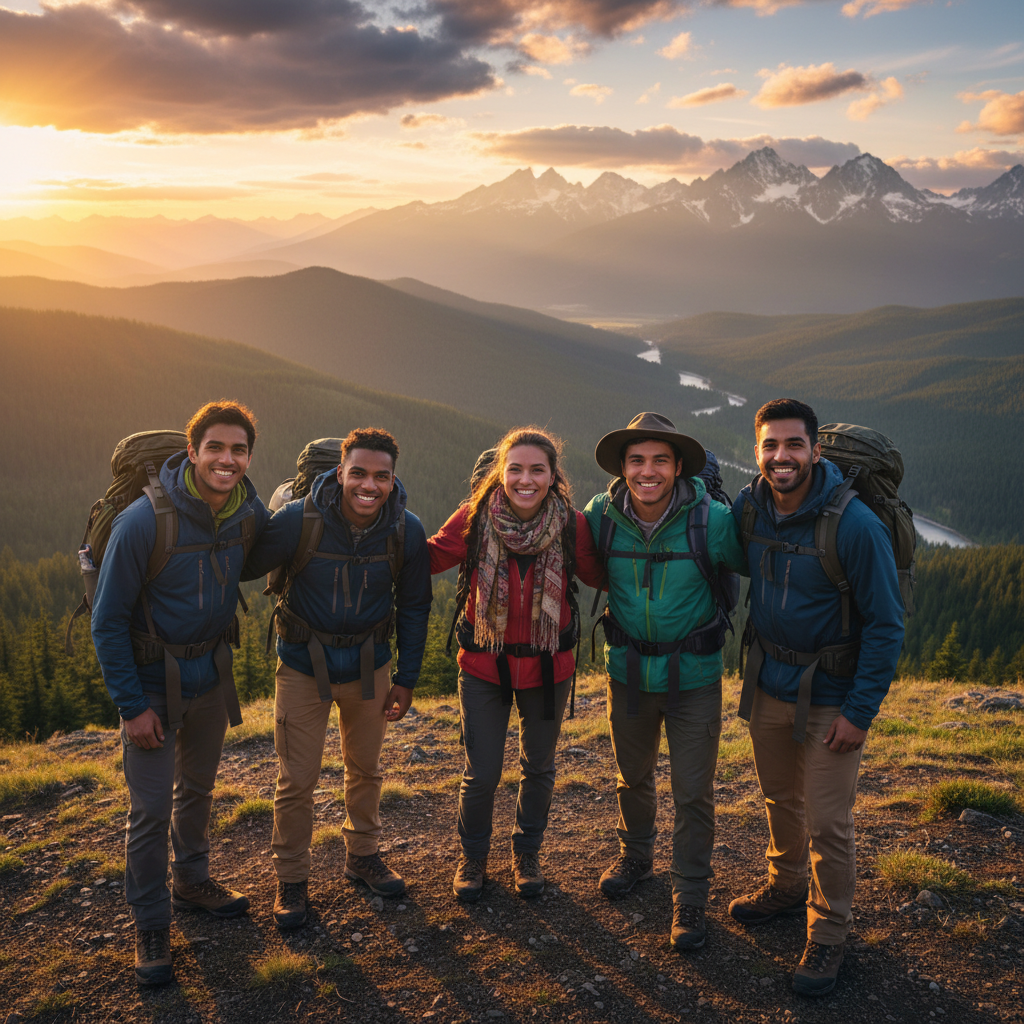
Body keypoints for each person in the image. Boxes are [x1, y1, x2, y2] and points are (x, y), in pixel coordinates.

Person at [729, 398, 904, 996]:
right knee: (779, 798)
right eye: (770, 446)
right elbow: (714, 550)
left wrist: (859, 712)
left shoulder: (854, 525)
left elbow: (886, 624)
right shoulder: (751, 507)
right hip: (769, 683)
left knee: (828, 819)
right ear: (757, 452)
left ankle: (828, 933)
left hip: (831, 696)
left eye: (793, 445)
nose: (782, 457)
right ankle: (786, 887)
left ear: (815, 450)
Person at [91, 401, 270, 986]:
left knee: (197, 788)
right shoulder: (144, 522)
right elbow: (108, 620)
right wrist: (131, 707)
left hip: (211, 676)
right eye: (215, 447)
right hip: (150, 686)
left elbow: (266, 554)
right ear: (191, 452)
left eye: (238, 450)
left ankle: (191, 881)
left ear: (248, 457)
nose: (227, 459)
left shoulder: (246, 512)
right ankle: (150, 922)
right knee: (149, 808)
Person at [243, 428, 431, 928]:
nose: (369, 486)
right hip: (304, 667)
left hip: (372, 667)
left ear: (393, 478)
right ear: (340, 472)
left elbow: (414, 606)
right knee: (297, 779)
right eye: (359, 474)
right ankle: (292, 879)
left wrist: (406, 678)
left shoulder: (404, 529)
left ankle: (362, 856)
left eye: (381, 476)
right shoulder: (298, 520)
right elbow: (239, 564)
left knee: (366, 770)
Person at [582, 412, 745, 951]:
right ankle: (637, 856)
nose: (647, 471)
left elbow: (760, 567)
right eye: (637, 460)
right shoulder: (600, 515)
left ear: (678, 467)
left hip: (693, 676)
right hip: (626, 673)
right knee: (633, 778)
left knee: (693, 792)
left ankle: (691, 896)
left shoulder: (712, 520)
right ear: (623, 467)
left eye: (659, 460)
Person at [428, 428, 604, 901]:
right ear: (500, 474)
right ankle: (473, 857)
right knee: (481, 772)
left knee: (539, 767)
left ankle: (527, 853)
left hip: (548, 670)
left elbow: (600, 573)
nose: (526, 479)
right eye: (516, 469)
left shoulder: (571, 525)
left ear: (553, 476)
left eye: (537, 470)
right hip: (484, 667)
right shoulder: (474, 518)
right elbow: (426, 558)